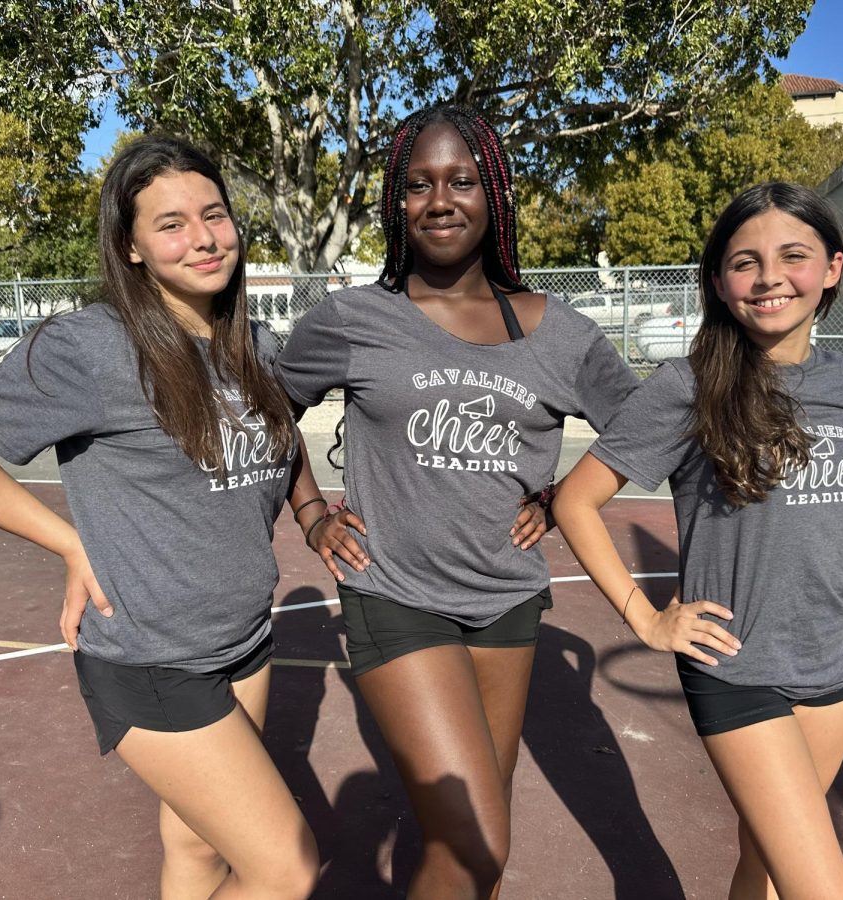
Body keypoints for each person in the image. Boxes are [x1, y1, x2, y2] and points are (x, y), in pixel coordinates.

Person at [0, 135, 361, 899]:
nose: (204, 237)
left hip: (242, 639)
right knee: (286, 868)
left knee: (197, 851)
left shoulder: (254, 342)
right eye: (172, 223)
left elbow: (276, 433)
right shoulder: (92, 347)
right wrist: (69, 543)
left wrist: (311, 514)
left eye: (213, 215)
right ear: (134, 247)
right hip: (149, 655)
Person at [273, 103, 639, 899]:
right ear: (396, 204)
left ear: (495, 194)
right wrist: (310, 513)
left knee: (483, 834)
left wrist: (560, 493)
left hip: (505, 598)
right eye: (418, 184)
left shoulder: (561, 334)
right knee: (475, 836)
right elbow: (263, 412)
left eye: (462, 180)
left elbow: (644, 430)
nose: (439, 199)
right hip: (394, 591)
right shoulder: (354, 319)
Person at [553, 182, 843, 899]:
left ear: (831, 269)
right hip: (736, 665)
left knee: (762, 860)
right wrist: (646, 618)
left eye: (793, 255)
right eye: (744, 262)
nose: (768, 278)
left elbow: (837, 505)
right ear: (718, 282)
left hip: (830, 659)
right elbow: (575, 501)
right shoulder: (689, 386)